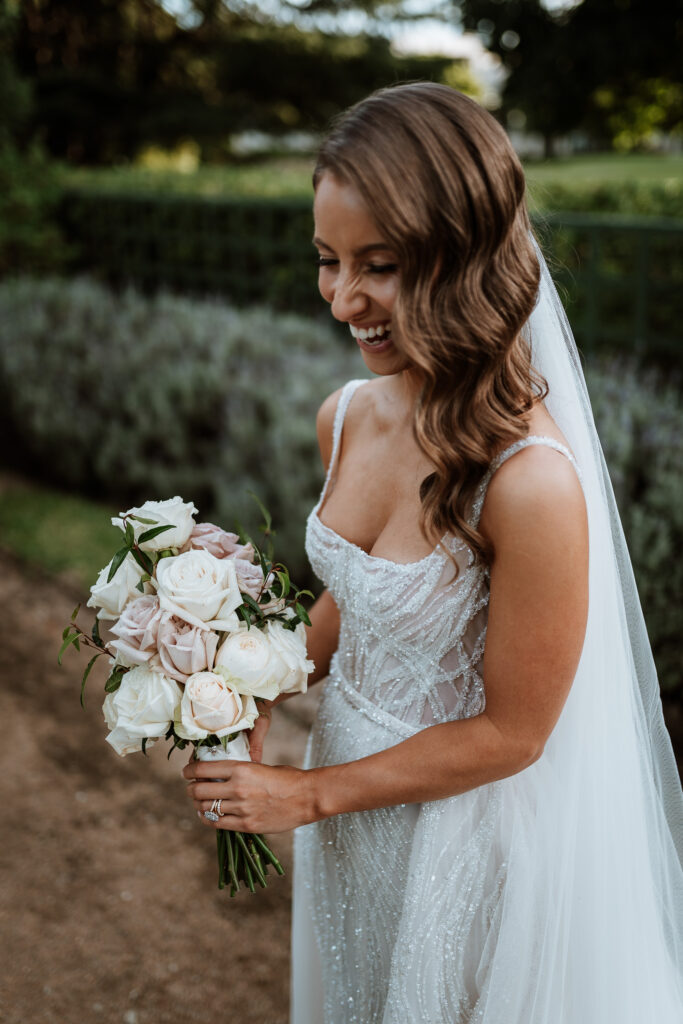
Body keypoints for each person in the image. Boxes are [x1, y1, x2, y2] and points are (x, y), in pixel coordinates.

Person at [183, 83, 683, 1023]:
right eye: (327, 261)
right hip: (350, 816)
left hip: (461, 842)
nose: (342, 299)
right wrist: (237, 681)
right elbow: (360, 600)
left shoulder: (530, 484)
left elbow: (513, 734)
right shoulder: (349, 416)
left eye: (380, 265)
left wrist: (311, 795)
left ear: (465, 259)